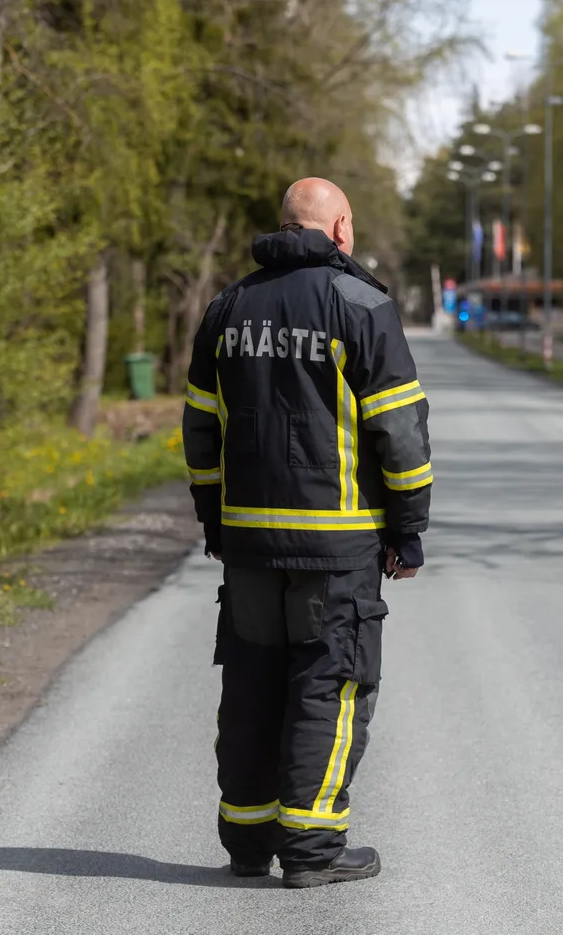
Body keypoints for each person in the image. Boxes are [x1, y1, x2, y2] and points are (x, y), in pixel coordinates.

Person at [181, 177, 432, 889]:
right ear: (342, 229)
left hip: (251, 542)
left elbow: (201, 425)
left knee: (254, 682)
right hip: (337, 542)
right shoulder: (363, 305)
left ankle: (248, 840)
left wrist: (214, 520)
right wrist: (407, 529)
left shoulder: (227, 308)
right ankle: (313, 846)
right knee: (331, 681)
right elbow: (401, 432)